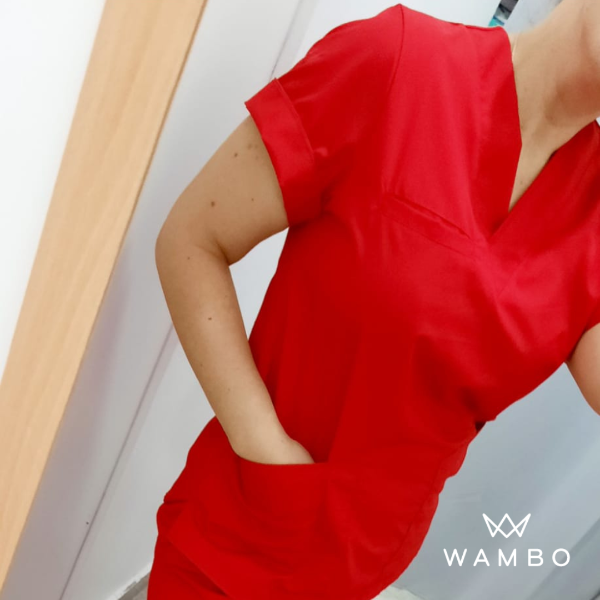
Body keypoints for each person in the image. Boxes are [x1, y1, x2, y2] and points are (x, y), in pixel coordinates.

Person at [147, 1, 600, 598]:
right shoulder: (396, 62)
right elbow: (192, 239)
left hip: (363, 565)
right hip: (236, 542)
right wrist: (264, 448)